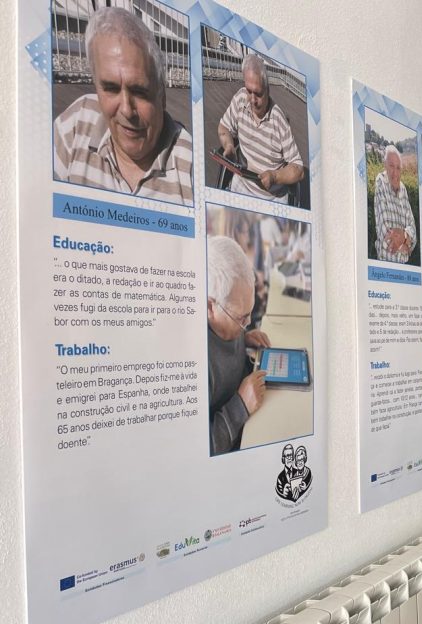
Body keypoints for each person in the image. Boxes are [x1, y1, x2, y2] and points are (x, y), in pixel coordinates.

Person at [53, 6, 194, 207]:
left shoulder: (189, 164)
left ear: (162, 95)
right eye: (110, 88)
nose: (126, 110)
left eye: (139, 91)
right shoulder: (75, 126)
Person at [207, 235, 271, 456]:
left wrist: (244, 339)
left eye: (250, 314)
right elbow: (202, 448)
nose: (246, 324)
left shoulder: (227, 316)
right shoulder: (194, 358)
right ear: (209, 306)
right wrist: (240, 406)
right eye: (241, 318)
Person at [217, 53, 304, 203]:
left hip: (270, 197)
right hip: (242, 185)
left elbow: (298, 169)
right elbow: (223, 128)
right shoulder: (240, 99)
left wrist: (275, 176)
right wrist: (229, 146)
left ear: (267, 90)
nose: (252, 100)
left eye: (258, 94)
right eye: (248, 91)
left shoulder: (278, 120)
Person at [373, 145, 416, 263]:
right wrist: (406, 245)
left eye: (398, 167)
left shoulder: (403, 188)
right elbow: (385, 232)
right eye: (391, 166)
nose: (395, 172)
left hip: (405, 268)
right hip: (386, 265)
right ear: (385, 165)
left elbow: (412, 227)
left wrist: (405, 235)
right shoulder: (381, 181)